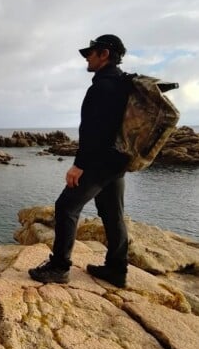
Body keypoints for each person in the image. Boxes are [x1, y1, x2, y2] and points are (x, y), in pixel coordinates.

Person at [29, 34, 131, 288]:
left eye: (91, 52)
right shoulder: (122, 84)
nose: (87, 57)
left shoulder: (103, 87)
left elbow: (94, 131)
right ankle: (117, 269)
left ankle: (59, 267)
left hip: (98, 163)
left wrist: (79, 165)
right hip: (117, 163)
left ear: (104, 54)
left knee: (66, 207)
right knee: (113, 214)